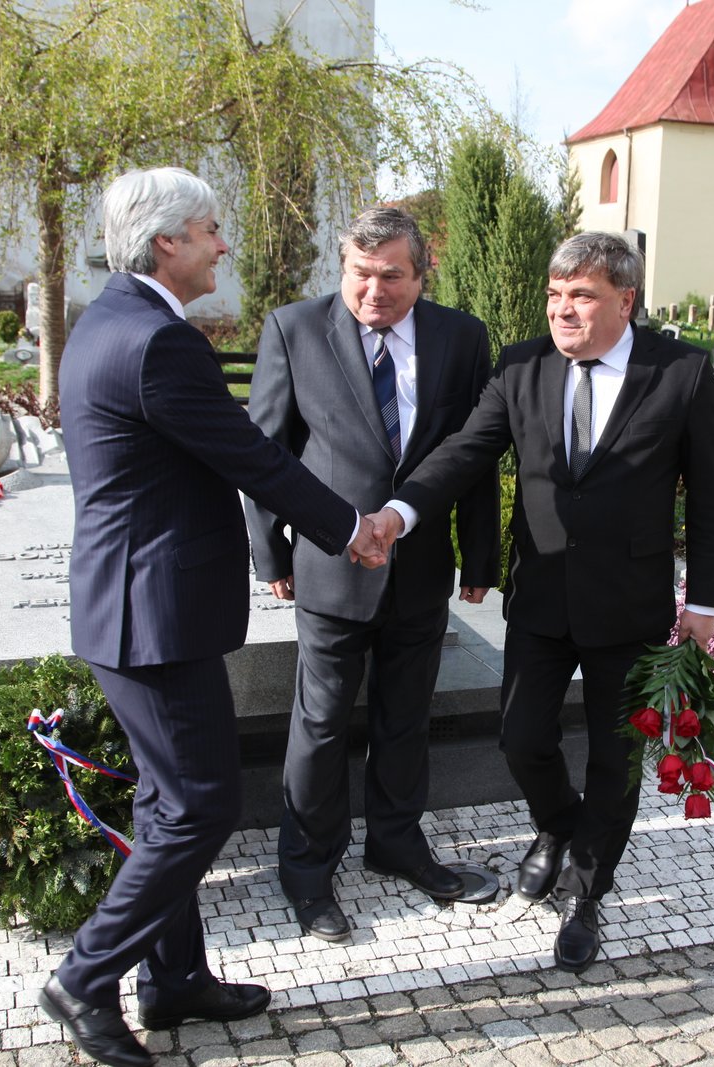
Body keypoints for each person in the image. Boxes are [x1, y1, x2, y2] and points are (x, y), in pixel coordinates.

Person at [39, 167, 387, 1067]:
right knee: (200, 805)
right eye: (209, 231)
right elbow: (251, 457)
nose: (222, 244)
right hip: (151, 614)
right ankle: (84, 977)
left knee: (166, 802)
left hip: (137, 605)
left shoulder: (110, 321)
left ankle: (175, 979)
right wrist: (350, 526)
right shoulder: (158, 342)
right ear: (168, 243)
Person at [368, 231, 714, 973]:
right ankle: (560, 823)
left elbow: (710, 496)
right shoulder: (521, 365)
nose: (563, 309)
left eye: (582, 295)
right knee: (519, 736)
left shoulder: (681, 372)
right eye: (555, 295)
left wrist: (706, 600)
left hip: (628, 603)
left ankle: (586, 891)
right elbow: (466, 450)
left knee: (616, 759)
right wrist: (400, 514)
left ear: (625, 300)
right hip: (540, 596)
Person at [244, 206, 500, 942]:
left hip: (421, 569)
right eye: (360, 273)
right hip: (328, 571)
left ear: (422, 274)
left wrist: (480, 556)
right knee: (321, 725)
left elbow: (475, 452)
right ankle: (307, 870)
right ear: (343, 267)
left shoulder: (461, 338)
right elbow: (265, 453)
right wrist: (272, 554)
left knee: (405, 718)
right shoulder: (295, 328)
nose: (373, 291)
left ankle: (395, 843)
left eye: (391, 276)